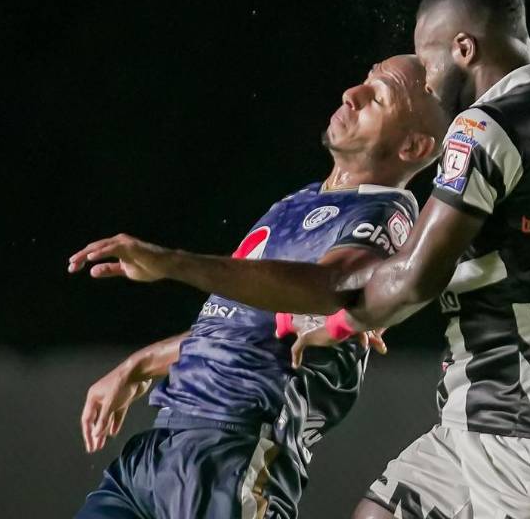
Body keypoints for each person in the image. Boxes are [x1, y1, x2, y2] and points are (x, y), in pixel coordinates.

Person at [73, 0, 530, 518]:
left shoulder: (482, 128)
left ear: (464, 48)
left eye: (428, 62)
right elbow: (452, 268)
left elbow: (404, 277)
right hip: (491, 416)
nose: (430, 79)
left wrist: (343, 317)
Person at [69, 55, 450, 518]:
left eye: (378, 97)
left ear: (412, 146)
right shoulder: (299, 201)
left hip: (232, 451)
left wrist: (170, 263)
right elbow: (242, 324)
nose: (352, 94)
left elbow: (328, 286)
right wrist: (139, 365)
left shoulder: (386, 214)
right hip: (159, 447)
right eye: (364, 82)